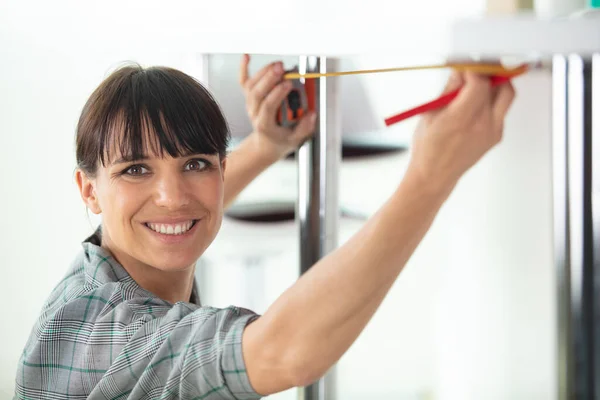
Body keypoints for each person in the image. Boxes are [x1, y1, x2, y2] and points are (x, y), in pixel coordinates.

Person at [14, 54, 515, 399]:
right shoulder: (96, 332)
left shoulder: (109, 266)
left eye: (196, 164)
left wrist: (270, 143)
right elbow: (286, 353)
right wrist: (430, 178)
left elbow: (177, 212)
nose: (171, 196)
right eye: (135, 170)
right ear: (88, 190)